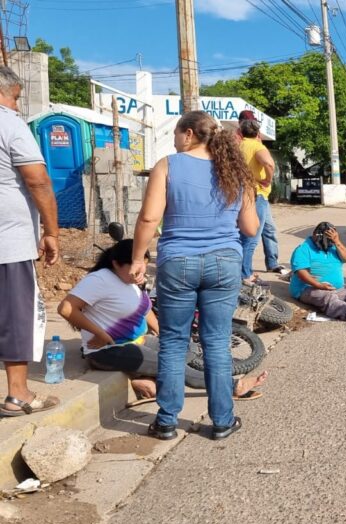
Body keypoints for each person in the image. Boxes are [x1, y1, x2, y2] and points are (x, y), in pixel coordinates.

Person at [130, 111, 259, 441]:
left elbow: (148, 219)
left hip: (178, 262)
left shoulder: (168, 165)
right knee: (216, 342)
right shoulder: (235, 173)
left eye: (175, 133)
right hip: (224, 263)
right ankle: (222, 421)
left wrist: (138, 258)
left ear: (188, 134)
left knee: (174, 342)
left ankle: (167, 421)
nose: (174, 140)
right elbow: (250, 228)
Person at [58, 240, 268, 405]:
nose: (141, 274)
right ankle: (233, 387)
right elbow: (66, 308)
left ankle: (142, 378)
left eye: (144, 267)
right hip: (109, 349)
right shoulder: (100, 280)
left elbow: (145, 308)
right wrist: (102, 335)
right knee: (173, 366)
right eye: (136, 268)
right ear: (115, 264)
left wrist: (164, 335)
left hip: (139, 340)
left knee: (186, 348)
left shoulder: (131, 279)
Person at [0, 66, 61, 417]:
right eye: (17, 98)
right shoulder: (9, 124)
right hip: (8, 238)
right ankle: (18, 394)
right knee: (14, 313)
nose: (18, 107)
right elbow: (37, 181)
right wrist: (51, 232)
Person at [237, 110, 286, 282]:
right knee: (251, 237)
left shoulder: (239, 146)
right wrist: (267, 179)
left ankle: (271, 262)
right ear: (258, 132)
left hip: (248, 194)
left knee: (268, 229)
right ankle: (245, 274)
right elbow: (269, 163)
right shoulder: (258, 147)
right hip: (257, 195)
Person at [289, 222, 346, 321]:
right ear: (315, 235)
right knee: (328, 297)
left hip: (336, 288)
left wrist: (337, 242)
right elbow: (301, 272)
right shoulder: (303, 249)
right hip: (308, 288)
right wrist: (318, 285)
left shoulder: (333, 245)